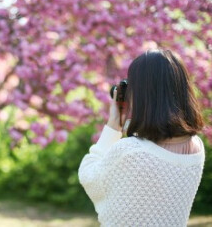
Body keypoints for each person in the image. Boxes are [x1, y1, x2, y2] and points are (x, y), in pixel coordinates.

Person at [78, 49, 205, 226]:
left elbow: (89, 176)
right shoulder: (196, 147)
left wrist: (114, 124)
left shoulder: (131, 151)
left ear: (141, 94)